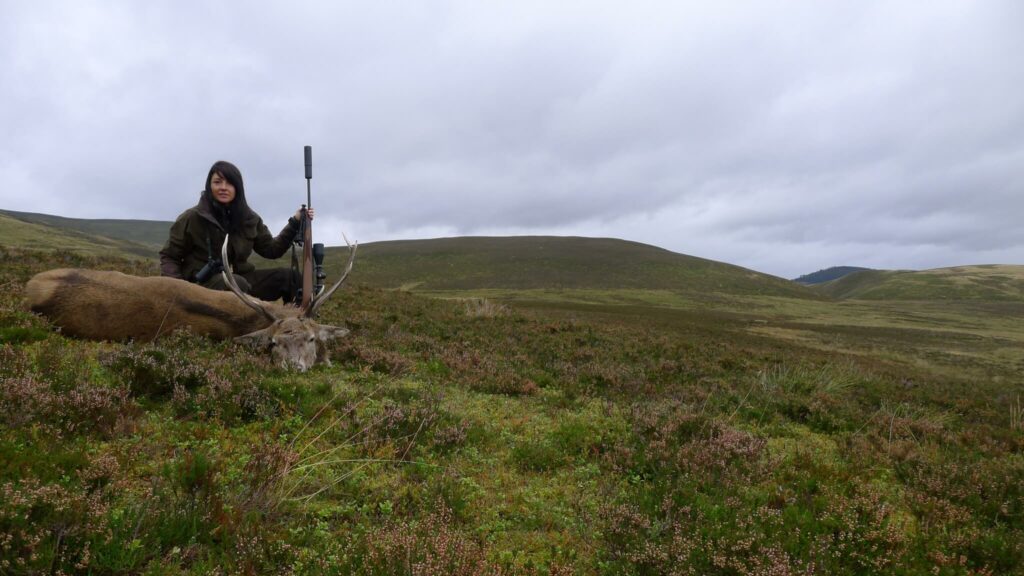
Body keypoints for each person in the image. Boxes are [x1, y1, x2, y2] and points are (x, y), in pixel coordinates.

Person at [159, 160, 312, 303]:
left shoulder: (250, 219)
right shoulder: (192, 217)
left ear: (237, 188)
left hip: (242, 280)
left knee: (290, 278)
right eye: (217, 182)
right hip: (202, 284)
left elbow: (272, 250)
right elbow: (169, 256)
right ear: (209, 186)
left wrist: (295, 221)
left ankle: (298, 325)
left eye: (229, 183)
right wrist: (179, 290)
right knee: (237, 284)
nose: (223, 187)